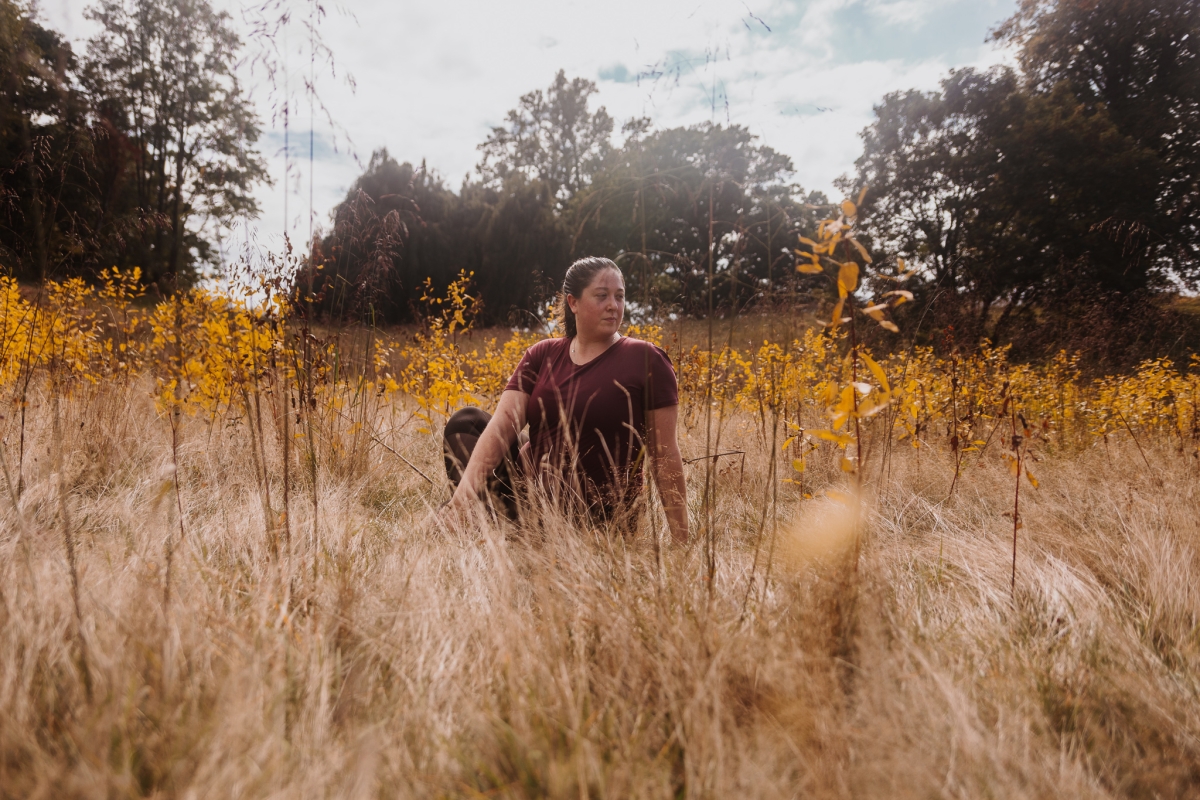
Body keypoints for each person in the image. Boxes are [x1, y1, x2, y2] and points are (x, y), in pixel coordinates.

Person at [441, 257, 689, 543]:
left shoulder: (646, 359)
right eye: (602, 295)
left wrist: (681, 540)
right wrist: (459, 503)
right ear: (573, 303)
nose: (613, 305)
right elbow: (504, 423)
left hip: (600, 516)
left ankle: (506, 530)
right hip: (533, 498)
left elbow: (664, 452)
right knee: (467, 423)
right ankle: (477, 520)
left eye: (619, 296)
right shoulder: (542, 354)